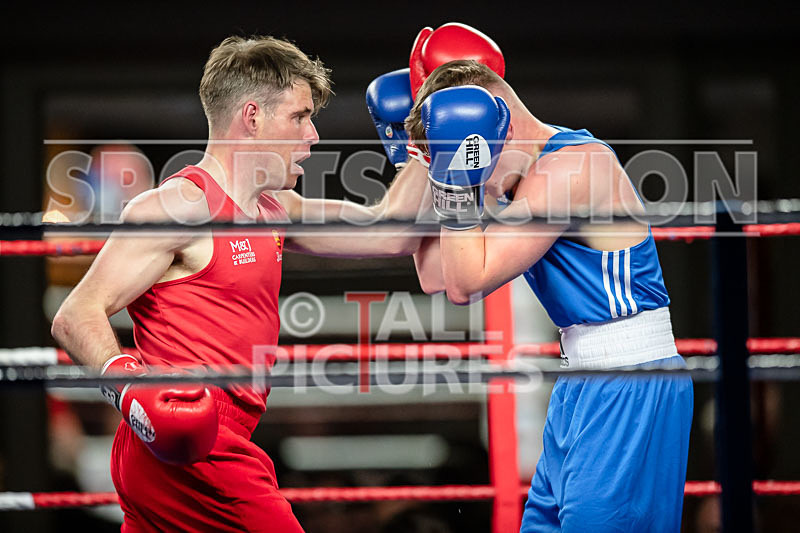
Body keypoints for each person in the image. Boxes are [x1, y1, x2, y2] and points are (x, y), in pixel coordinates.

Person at [51, 35, 432, 532]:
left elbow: (391, 232)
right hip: (188, 447)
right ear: (252, 117)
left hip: (209, 441)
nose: (313, 135)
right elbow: (75, 315)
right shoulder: (178, 209)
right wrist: (134, 390)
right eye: (299, 117)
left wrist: (424, 137)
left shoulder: (276, 211)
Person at [404, 60, 694, 533]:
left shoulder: (574, 166)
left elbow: (463, 282)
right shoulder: (525, 172)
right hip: (580, 382)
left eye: (471, 158)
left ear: (498, 128)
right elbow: (437, 273)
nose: (486, 189)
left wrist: (457, 183)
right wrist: (420, 163)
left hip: (631, 380)